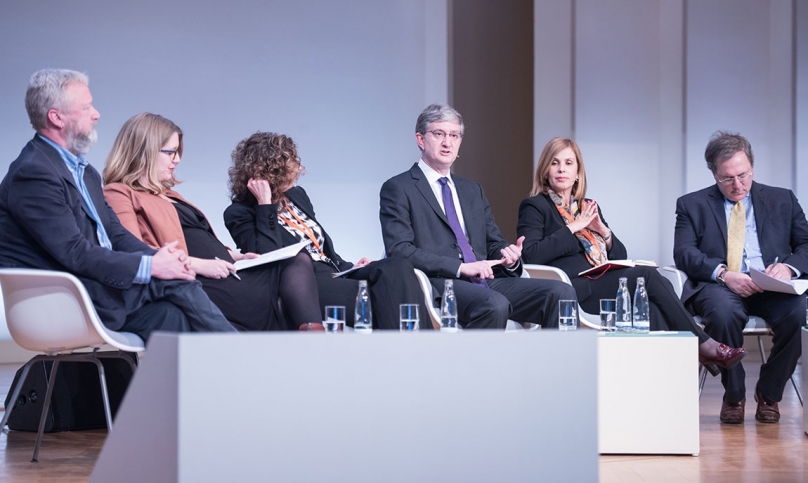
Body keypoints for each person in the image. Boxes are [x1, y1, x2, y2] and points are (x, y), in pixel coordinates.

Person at [0, 69, 236, 341]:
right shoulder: (33, 174)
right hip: (67, 303)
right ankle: (241, 360)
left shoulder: (85, 173)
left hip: (100, 289)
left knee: (174, 315)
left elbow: (115, 231)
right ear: (56, 118)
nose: (96, 114)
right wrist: (152, 267)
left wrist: (157, 258)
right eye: (86, 107)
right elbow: (74, 252)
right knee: (179, 284)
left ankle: (211, 373)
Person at [516, 137, 745, 370]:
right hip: (572, 290)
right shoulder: (535, 206)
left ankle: (662, 381)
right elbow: (532, 255)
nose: (561, 169)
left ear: (578, 172)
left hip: (599, 282)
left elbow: (619, 258)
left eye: (568, 163)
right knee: (647, 277)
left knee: (653, 307)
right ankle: (703, 345)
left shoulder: (587, 207)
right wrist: (573, 227)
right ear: (546, 170)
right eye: (555, 163)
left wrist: (604, 232)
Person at [103, 113, 323, 332]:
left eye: (177, 152)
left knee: (297, 262)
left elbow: (202, 238)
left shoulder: (169, 194)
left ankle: (315, 345)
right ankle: (312, 350)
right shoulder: (119, 193)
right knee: (293, 281)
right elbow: (134, 254)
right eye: (170, 153)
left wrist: (238, 256)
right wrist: (200, 265)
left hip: (227, 273)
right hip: (197, 282)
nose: (177, 160)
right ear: (144, 153)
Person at [379, 103, 576, 329]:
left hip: (485, 281)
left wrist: (507, 255)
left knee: (561, 292)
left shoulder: (472, 190)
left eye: (454, 135)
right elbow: (400, 250)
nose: (447, 142)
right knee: (494, 304)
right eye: (439, 134)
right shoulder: (399, 187)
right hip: (442, 284)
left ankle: (552, 365)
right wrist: (460, 268)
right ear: (421, 139)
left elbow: (493, 242)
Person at [224, 132, 427, 330]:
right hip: (305, 283)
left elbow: (318, 246)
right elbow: (269, 256)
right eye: (291, 165)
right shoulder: (238, 213)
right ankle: (404, 352)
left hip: (335, 272)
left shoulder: (297, 196)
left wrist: (349, 266)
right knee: (382, 295)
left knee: (397, 266)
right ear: (271, 173)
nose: (299, 168)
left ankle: (422, 344)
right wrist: (265, 205)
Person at [674, 131, 808, 424]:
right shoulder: (691, 204)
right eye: (727, 179)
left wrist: (789, 268)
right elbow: (683, 253)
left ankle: (769, 394)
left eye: (743, 175)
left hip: (773, 286)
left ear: (752, 167)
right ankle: (734, 395)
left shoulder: (782, 198)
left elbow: (805, 245)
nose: (737, 185)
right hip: (720, 286)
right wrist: (724, 274)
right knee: (723, 314)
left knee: (799, 315)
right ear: (713, 174)